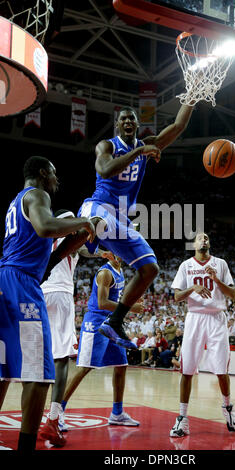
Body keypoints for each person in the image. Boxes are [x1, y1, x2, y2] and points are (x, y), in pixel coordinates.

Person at [77, 103, 195, 349]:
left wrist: (190, 99)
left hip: (121, 218)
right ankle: (57, 256)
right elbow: (105, 169)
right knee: (91, 228)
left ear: (138, 125)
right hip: (99, 206)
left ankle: (115, 321)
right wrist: (140, 153)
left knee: (150, 269)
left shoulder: (145, 145)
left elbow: (178, 126)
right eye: (123, 119)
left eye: (132, 118)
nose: (128, 121)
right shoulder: (107, 145)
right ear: (118, 124)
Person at [0, 156, 95, 452]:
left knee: (3, 370)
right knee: (40, 374)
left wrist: (77, 237)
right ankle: (27, 445)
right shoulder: (37, 194)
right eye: (53, 173)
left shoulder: (17, 203)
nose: (56, 179)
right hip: (22, 285)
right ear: (42, 173)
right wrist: (81, 220)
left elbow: (50, 258)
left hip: (7, 281)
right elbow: (44, 228)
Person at [40, 209, 104, 446]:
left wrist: (100, 253)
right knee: (61, 358)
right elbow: (86, 247)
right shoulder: (72, 239)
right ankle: (54, 418)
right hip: (60, 294)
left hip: (37, 292)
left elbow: (88, 251)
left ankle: (33, 417)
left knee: (35, 359)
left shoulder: (43, 235)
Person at [60, 252, 143, 427]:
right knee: (84, 368)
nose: (120, 251)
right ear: (108, 254)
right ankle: (57, 412)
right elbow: (102, 303)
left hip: (111, 322)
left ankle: (117, 413)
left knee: (121, 366)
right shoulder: (105, 273)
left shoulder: (119, 271)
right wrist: (129, 307)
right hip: (96, 322)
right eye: (116, 248)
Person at [169, 232, 235, 438]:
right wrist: (193, 287)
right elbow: (176, 296)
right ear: (193, 244)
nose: (204, 239)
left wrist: (215, 279)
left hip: (217, 317)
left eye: (207, 237)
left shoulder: (221, 264)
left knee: (220, 370)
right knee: (187, 369)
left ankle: (228, 408)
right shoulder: (185, 266)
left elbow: (233, 294)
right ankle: (182, 419)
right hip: (194, 318)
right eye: (200, 238)